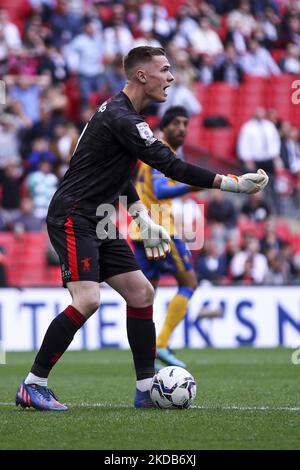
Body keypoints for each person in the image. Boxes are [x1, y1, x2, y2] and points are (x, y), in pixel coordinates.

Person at [15, 46, 268, 411]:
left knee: (141, 293)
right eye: (165, 70)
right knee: (87, 300)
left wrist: (141, 218)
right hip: (74, 215)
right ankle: (33, 384)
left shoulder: (118, 114)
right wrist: (231, 184)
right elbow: (173, 167)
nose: (172, 77)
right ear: (141, 76)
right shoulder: (124, 119)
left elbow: (117, 174)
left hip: (99, 216)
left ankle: (147, 388)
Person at [131, 106, 200, 369]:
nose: (182, 128)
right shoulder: (160, 152)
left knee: (147, 294)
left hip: (142, 231)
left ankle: (148, 354)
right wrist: (192, 184)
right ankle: (161, 342)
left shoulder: (155, 151)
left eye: (186, 124)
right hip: (161, 231)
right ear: (165, 126)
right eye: (177, 123)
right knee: (189, 282)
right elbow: (159, 190)